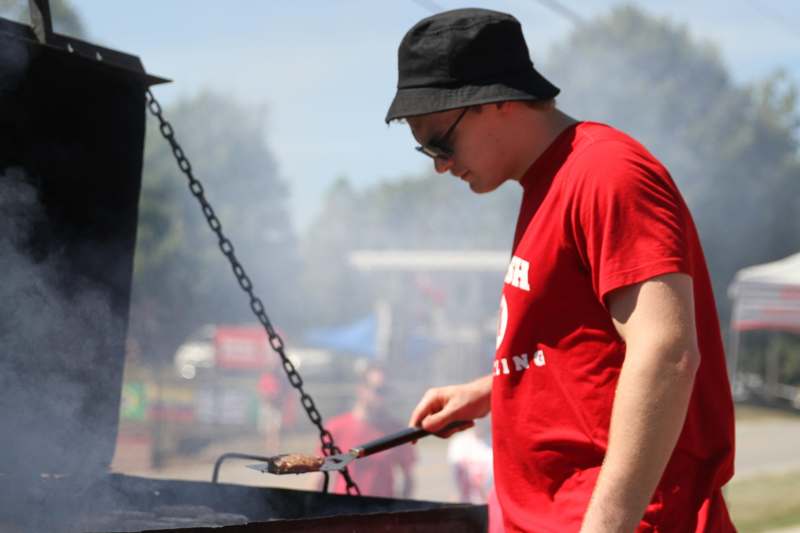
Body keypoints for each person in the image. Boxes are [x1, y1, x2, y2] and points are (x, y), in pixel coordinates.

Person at [386, 8, 735, 532]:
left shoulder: (606, 173)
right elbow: (584, 346)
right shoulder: (545, 184)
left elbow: (665, 353)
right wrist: (494, 390)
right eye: (425, 149)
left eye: (441, 141)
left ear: (496, 98)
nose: (439, 164)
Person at [325, 363, 416, 498]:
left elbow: (408, 478)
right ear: (361, 390)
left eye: (386, 391)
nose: (382, 397)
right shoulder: (336, 427)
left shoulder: (398, 431)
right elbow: (322, 476)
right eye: (378, 390)